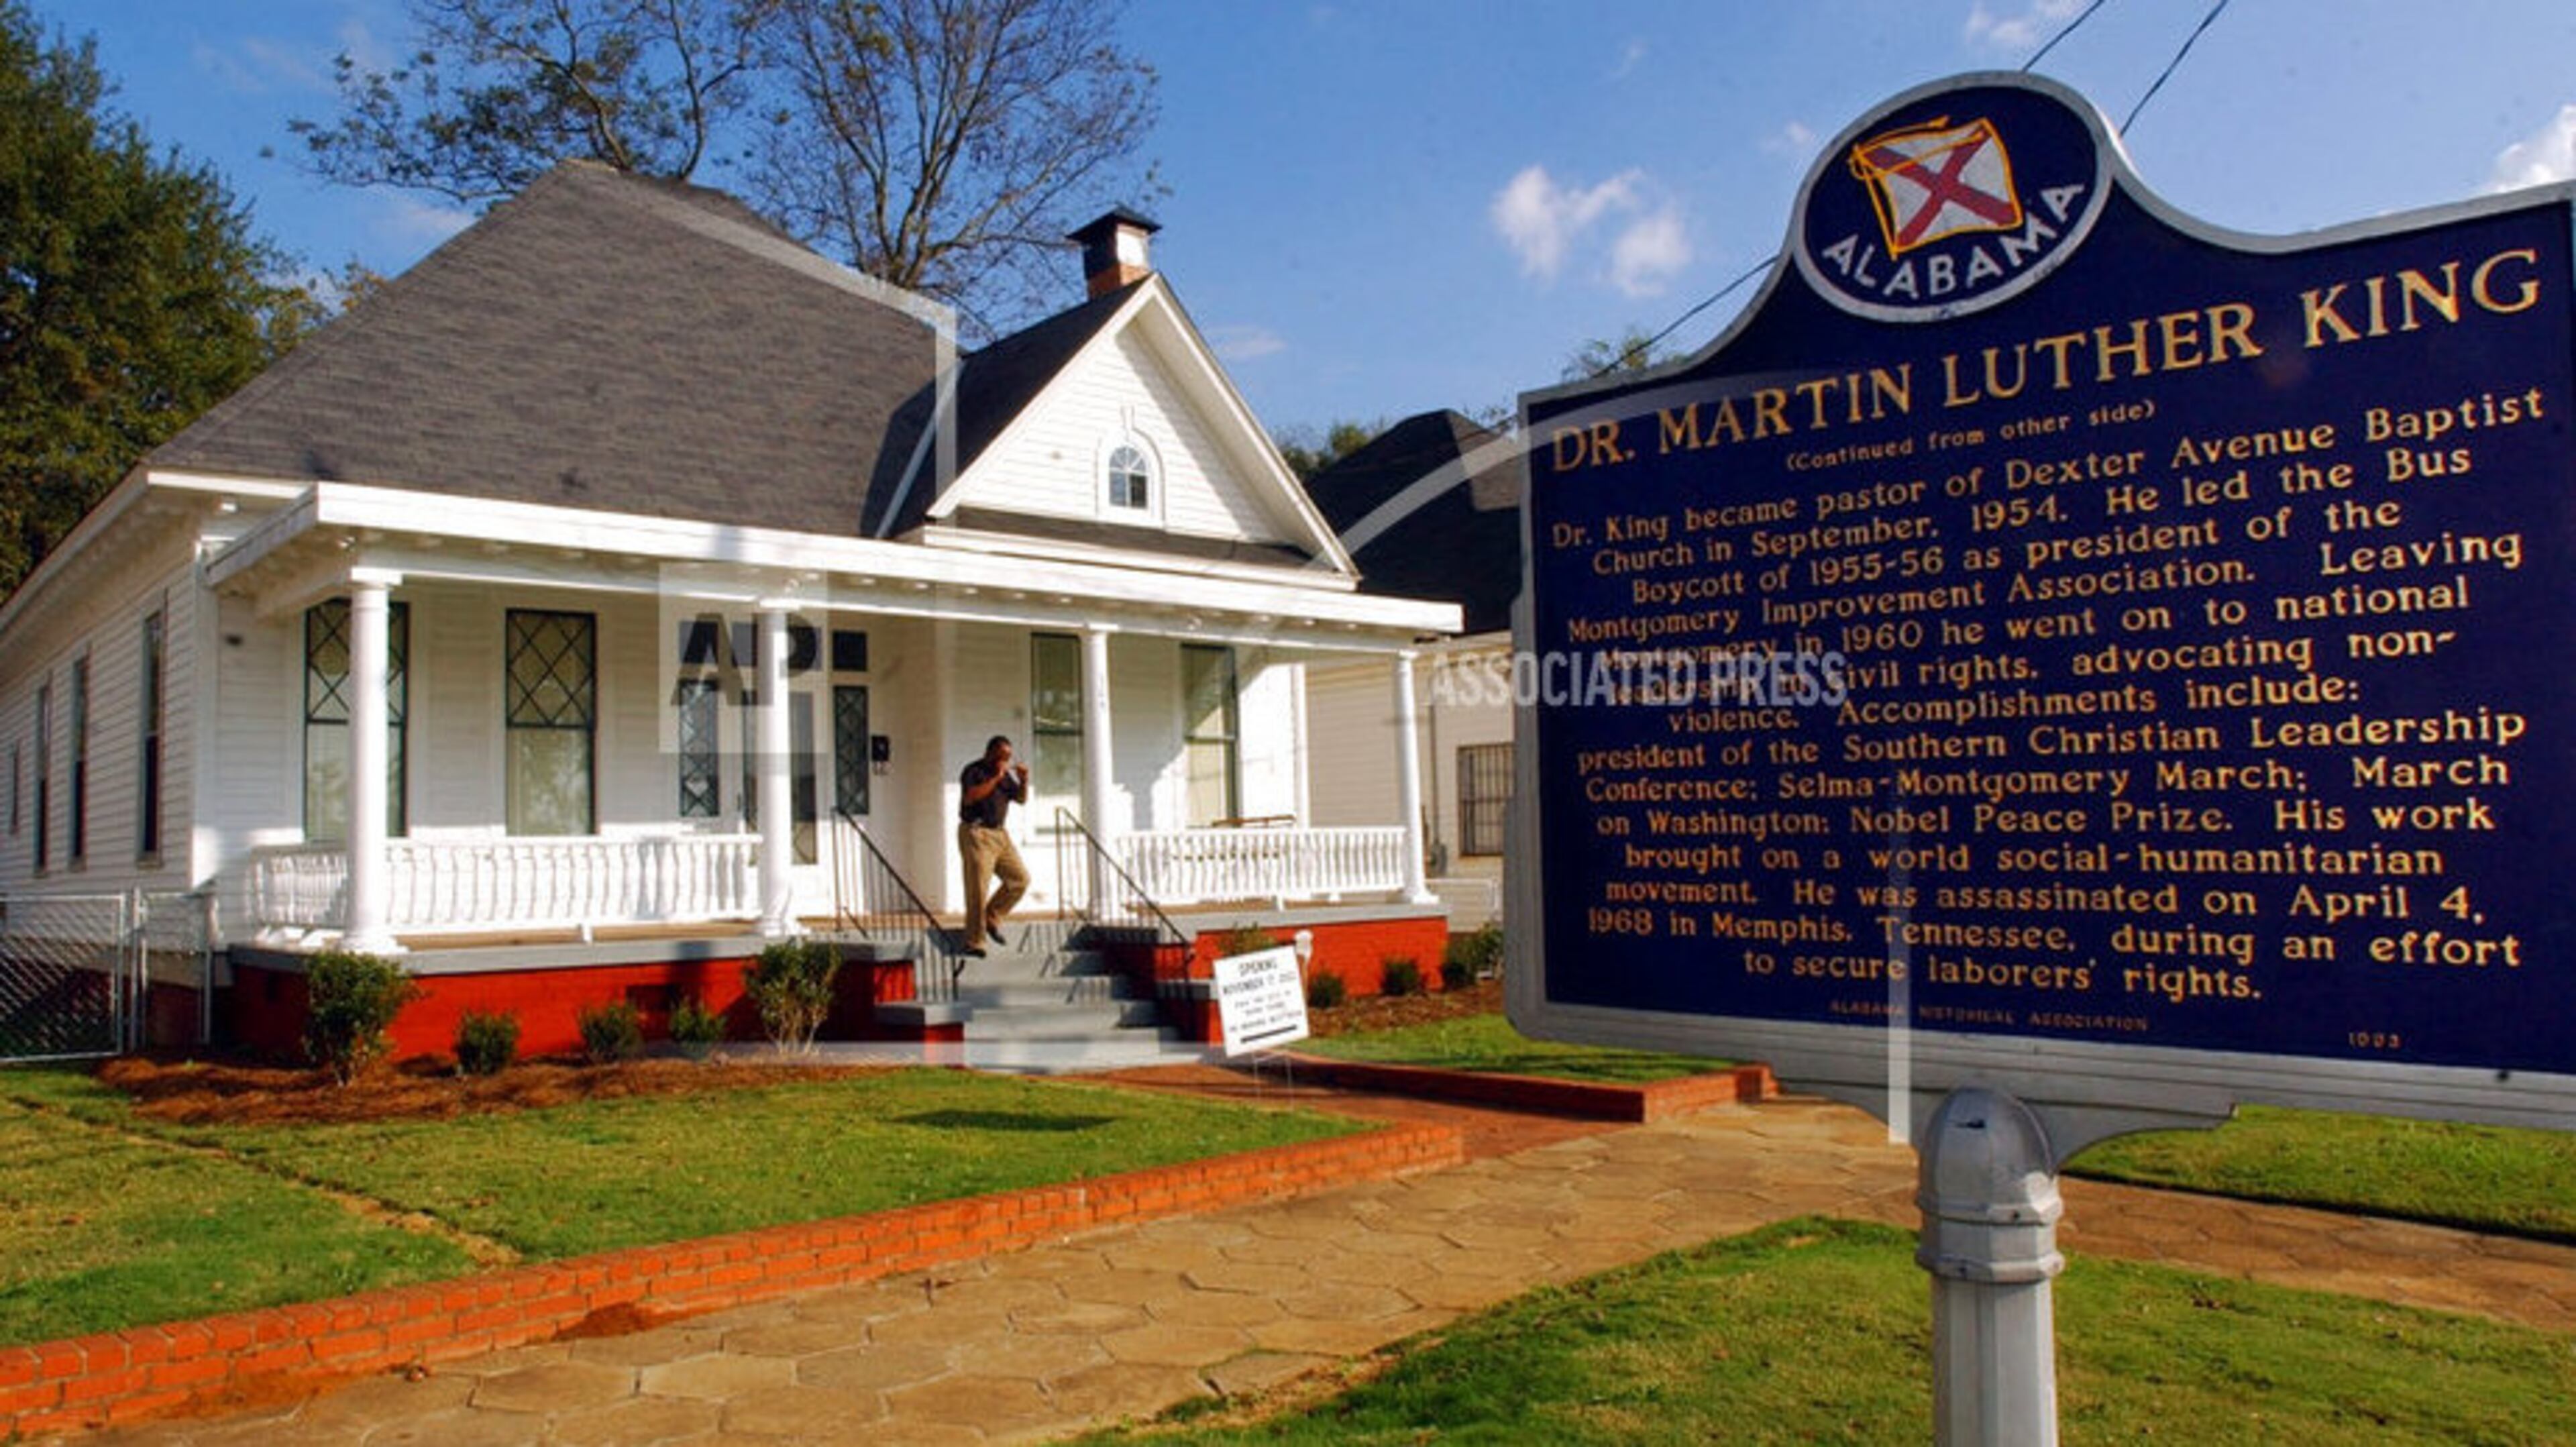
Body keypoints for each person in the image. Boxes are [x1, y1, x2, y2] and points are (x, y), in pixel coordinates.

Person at [956, 735, 1030, 956]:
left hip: (1000, 834)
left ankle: (992, 916)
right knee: (978, 888)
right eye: (1000, 757)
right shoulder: (974, 771)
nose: (1004, 762)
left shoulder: (1005, 776)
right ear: (990, 753)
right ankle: (975, 942)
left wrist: (1024, 780)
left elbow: (1021, 799)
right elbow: (970, 798)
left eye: (1007, 758)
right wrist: (996, 778)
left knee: (1020, 880)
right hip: (976, 833)